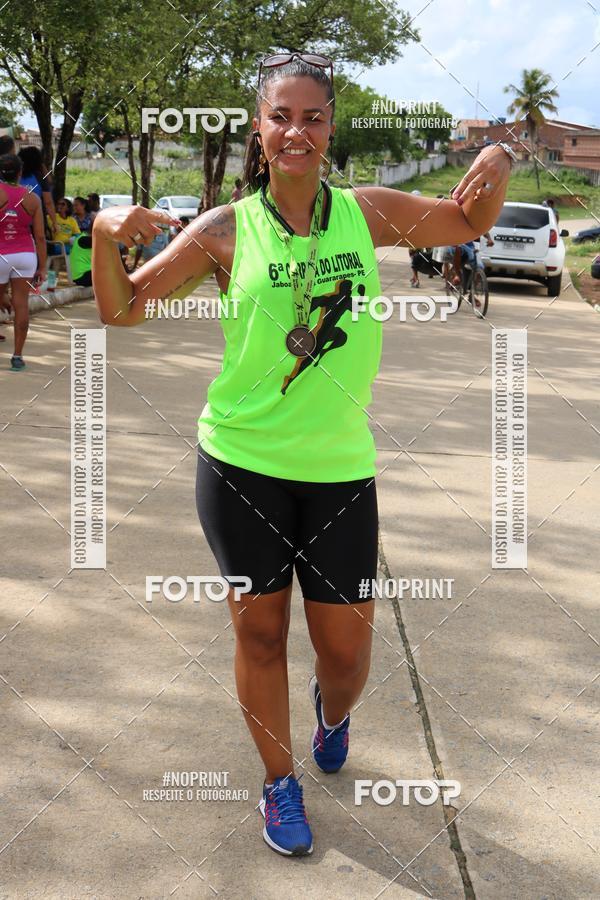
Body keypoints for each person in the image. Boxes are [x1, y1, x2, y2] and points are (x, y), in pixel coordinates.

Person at [91, 52, 513, 858]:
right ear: (259, 128)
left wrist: (497, 156)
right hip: (241, 464)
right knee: (259, 636)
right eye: (280, 117)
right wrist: (106, 236)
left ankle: (331, 711)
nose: (296, 132)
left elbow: (467, 221)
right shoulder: (224, 230)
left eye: (312, 118)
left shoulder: (367, 212)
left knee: (346, 654)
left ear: (330, 128)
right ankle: (278, 783)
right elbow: (125, 310)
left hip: (339, 471)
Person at [0, 154, 46, 367]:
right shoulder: (33, 198)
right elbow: (40, 237)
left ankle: (3, 297)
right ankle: (17, 357)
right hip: (26, 256)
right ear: (20, 173)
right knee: (22, 305)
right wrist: (42, 267)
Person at [18, 146, 57, 238]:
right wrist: (54, 222)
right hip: (36, 221)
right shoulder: (39, 177)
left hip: (15, 220)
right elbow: (48, 202)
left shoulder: (13, 177)